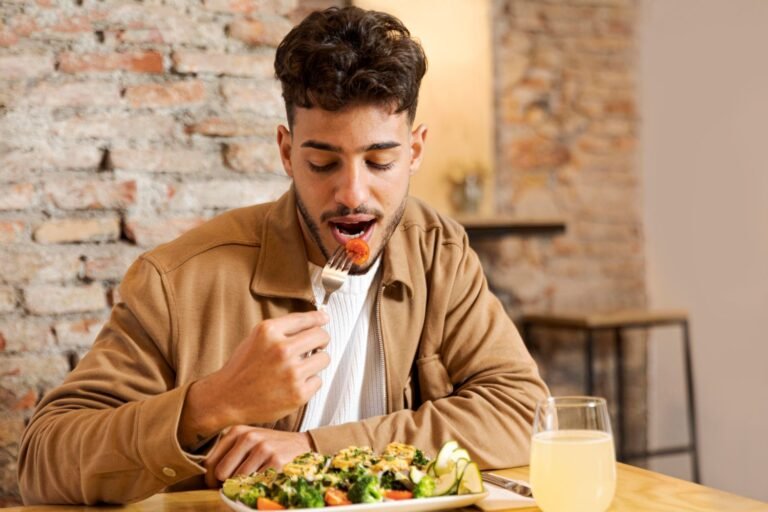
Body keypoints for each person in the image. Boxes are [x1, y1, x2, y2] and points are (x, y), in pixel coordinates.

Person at [17, 6, 548, 505]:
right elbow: (44, 461)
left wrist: (320, 448)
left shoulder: (438, 251)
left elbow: (524, 412)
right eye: (322, 163)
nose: (352, 194)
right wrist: (210, 404)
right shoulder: (176, 280)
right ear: (287, 153)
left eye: (380, 161)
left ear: (415, 151)